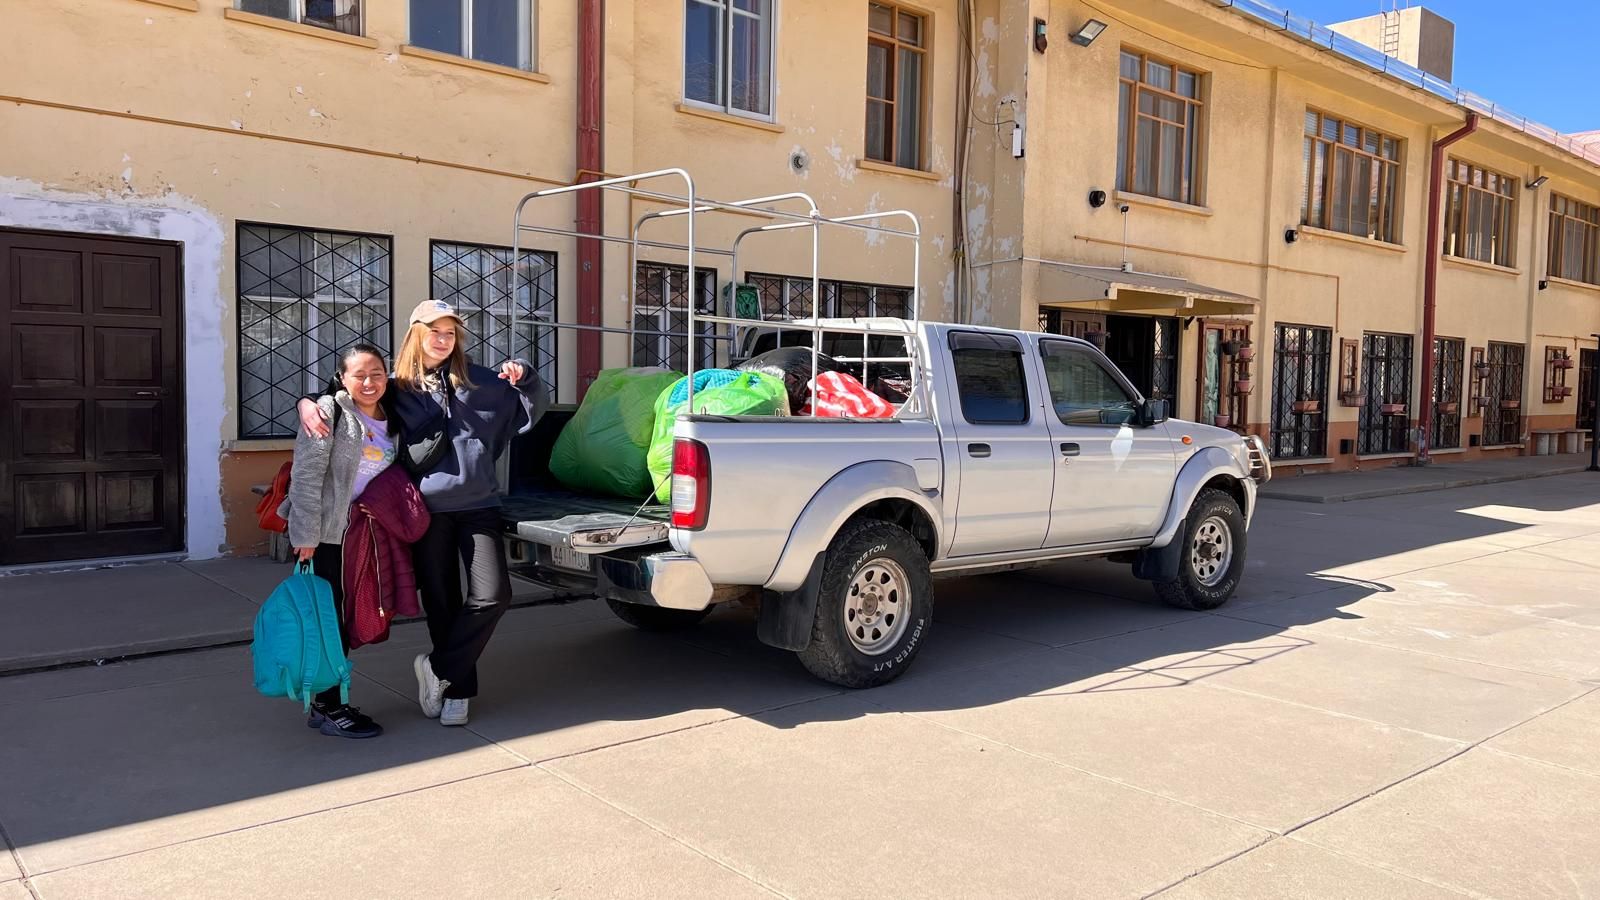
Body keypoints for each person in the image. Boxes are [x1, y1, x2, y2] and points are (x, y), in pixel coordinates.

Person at [299, 299, 547, 727]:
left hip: (478, 505)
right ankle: (458, 691)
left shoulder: (482, 382)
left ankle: (438, 668)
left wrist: (526, 374)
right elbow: (350, 391)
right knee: (441, 600)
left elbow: (530, 403)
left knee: (493, 596)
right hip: (424, 511)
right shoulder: (397, 387)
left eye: (449, 332)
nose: (442, 339)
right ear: (416, 334)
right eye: (433, 330)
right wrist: (308, 402)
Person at [280, 343, 400, 739]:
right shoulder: (331, 412)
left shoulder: (392, 411)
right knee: (324, 620)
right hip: (326, 536)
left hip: (361, 535)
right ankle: (330, 708)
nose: (369, 381)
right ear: (342, 379)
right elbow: (307, 476)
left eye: (377, 373)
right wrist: (305, 537)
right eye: (359, 375)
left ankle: (326, 704)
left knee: (344, 617)